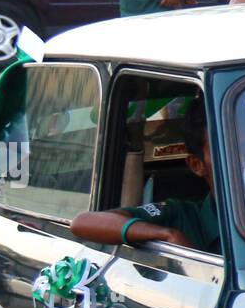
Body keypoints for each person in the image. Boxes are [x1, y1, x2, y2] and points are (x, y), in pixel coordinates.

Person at [72, 98, 220, 252]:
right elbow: (83, 222)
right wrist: (167, 235)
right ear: (197, 165)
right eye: (227, 151)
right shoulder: (182, 216)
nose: (244, 157)